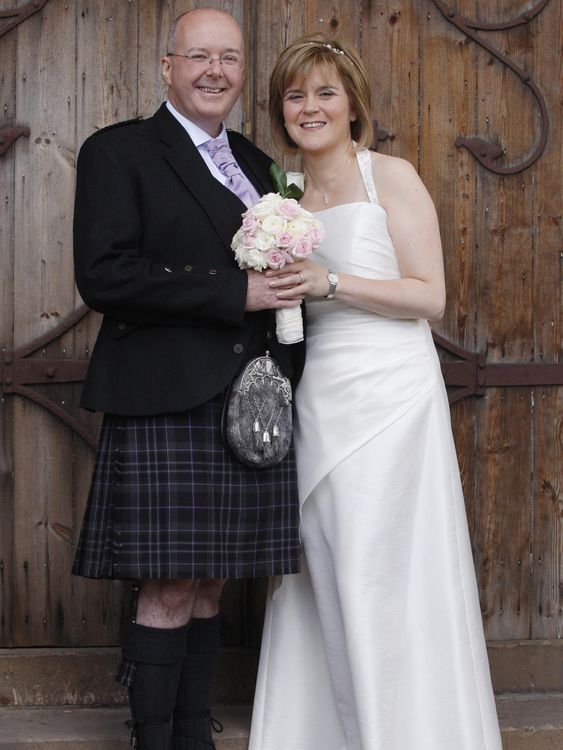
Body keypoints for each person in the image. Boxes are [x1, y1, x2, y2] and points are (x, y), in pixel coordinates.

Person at [249, 34, 503, 750]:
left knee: (383, 562)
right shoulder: (283, 195)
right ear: (280, 111)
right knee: (324, 560)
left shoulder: (388, 177)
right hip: (318, 392)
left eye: (325, 92)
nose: (310, 107)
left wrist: (331, 283)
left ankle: (403, 730)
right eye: (295, 95)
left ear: (354, 105)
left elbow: (430, 297)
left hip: (390, 393)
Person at [71, 8, 305, 750]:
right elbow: (104, 276)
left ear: (242, 71)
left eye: (229, 58)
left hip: (247, 401)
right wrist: (231, 294)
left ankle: (190, 734)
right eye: (198, 55)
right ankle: (152, 739)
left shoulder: (259, 161)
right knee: (169, 584)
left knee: (211, 583)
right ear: (166, 66)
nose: (214, 70)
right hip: (165, 392)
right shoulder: (121, 152)